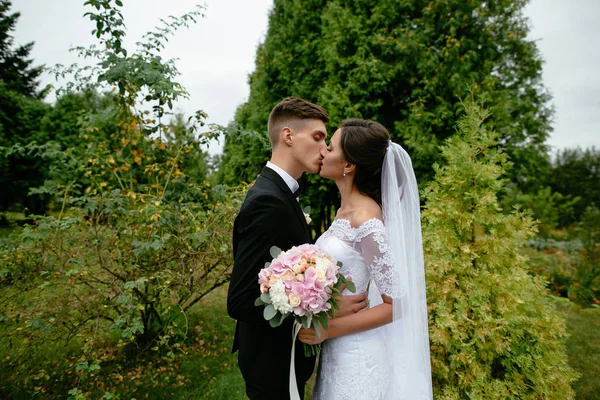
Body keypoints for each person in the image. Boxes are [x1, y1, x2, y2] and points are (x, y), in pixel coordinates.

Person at [227, 98, 368, 400]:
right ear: (288, 136)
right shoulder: (268, 201)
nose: (323, 149)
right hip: (271, 365)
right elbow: (239, 300)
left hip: (283, 362)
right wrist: (324, 310)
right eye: (317, 137)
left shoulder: (282, 194)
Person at [298, 119, 433, 399]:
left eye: (331, 147)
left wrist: (328, 328)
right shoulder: (343, 212)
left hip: (358, 358)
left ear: (348, 165)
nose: (322, 151)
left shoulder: (366, 220)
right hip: (338, 351)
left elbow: (396, 306)